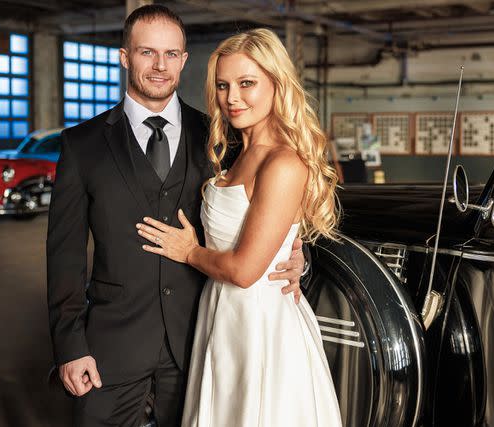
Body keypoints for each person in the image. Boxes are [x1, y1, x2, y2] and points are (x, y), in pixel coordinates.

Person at [46, 6, 306, 426]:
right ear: (125, 56)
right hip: (112, 344)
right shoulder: (82, 145)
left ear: (185, 60)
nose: (160, 66)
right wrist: (70, 345)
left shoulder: (221, 139)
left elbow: (263, 211)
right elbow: (64, 255)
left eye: (171, 54)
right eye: (147, 52)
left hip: (201, 339)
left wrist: (294, 256)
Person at [136, 29, 343, 426]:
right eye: (222, 85)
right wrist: (292, 251)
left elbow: (247, 271)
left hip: (260, 324)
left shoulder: (282, 163)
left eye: (247, 83)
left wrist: (189, 251)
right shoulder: (234, 153)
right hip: (222, 313)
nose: (232, 98)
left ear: (276, 85)